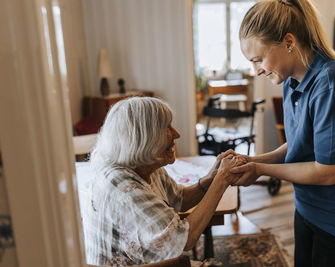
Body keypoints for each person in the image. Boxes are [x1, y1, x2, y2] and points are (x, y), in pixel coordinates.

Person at [232, 0, 335, 266]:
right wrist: (253, 161)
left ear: (289, 42)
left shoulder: (334, 83)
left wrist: (261, 171)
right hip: (308, 210)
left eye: (258, 59)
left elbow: (329, 171)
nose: (255, 70)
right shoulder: (290, 81)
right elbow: (298, 144)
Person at [82, 97, 243, 265]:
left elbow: (180, 198)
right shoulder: (123, 187)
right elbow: (184, 240)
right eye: (166, 127)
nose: (176, 134)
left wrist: (211, 179)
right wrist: (221, 181)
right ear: (143, 137)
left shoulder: (146, 165)